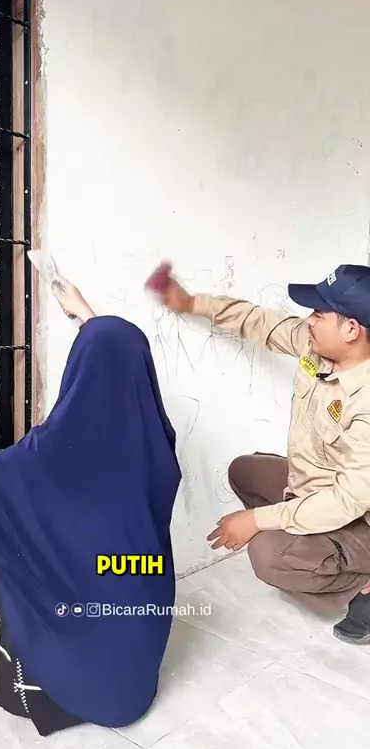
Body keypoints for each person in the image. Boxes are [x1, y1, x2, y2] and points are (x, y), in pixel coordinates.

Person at [0, 278, 181, 734]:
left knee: (3, 557)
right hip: (139, 655)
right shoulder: (157, 443)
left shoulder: (53, 452)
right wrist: (89, 319)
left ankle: (45, 687)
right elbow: (116, 361)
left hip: (93, 685)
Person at [158, 263, 370, 644]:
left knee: (266, 553)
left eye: (319, 314)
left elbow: (347, 500)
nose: (308, 320)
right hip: (318, 487)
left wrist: (258, 520)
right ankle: (312, 538)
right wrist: (191, 303)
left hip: (359, 515)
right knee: (244, 472)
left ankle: (362, 581)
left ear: (351, 329)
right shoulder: (318, 347)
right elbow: (262, 323)